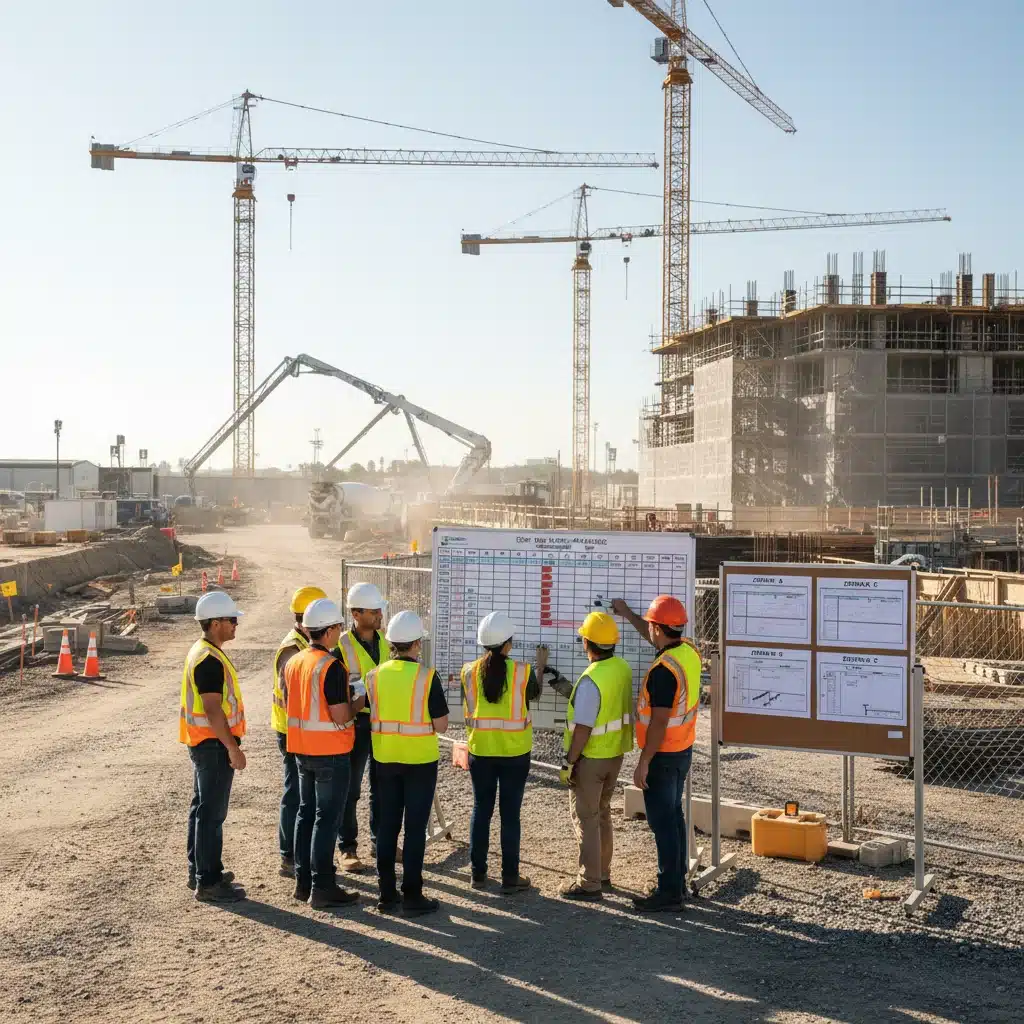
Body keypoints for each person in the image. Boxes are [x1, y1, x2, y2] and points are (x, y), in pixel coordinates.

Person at [611, 594, 700, 912]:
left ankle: (669, 893)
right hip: (682, 750)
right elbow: (654, 634)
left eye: (650, 625)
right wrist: (629, 614)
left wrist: (643, 762)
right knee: (673, 818)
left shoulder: (664, 671)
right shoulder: (687, 651)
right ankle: (677, 885)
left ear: (659, 630)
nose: (648, 629)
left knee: (662, 823)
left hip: (662, 755)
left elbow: (660, 721)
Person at [365, 610, 448, 916]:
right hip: (420, 762)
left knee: (387, 827)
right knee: (414, 830)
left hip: (385, 759)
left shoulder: (373, 676)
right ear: (416, 644)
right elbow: (440, 725)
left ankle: (386, 895)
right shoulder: (427, 677)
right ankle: (412, 895)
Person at [549, 611, 634, 902]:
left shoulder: (590, 680)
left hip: (591, 758)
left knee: (585, 818)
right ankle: (603, 874)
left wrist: (569, 762)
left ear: (587, 642)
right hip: (614, 754)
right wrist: (567, 689)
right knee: (602, 814)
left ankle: (589, 883)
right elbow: (603, 707)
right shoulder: (621, 668)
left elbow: (584, 726)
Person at [285, 598, 362, 910]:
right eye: (338, 627)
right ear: (330, 630)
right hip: (330, 752)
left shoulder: (295, 662)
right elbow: (341, 715)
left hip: (302, 750)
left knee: (306, 814)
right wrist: (359, 700)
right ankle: (323, 886)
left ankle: (303, 883)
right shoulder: (331, 666)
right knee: (326, 819)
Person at [460, 611, 543, 894]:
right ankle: (510, 878)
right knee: (510, 815)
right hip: (514, 753)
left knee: (481, 810)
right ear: (507, 644)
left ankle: (478, 875)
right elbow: (534, 694)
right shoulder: (523, 671)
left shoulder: (468, 671)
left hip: (480, 751)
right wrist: (541, 666)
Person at [181, 591, 247, 904]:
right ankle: (208, 881)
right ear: (216, 623)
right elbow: (212, 709)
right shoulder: (208, 659)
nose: (236, 625)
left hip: (204, 742)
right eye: (232, 620)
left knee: (202, 808)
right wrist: (232, 747)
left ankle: (200, 870)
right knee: (211, 814)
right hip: (213, 744)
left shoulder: (204, 651)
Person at [272, 585, 327, 879]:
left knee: (303, 794)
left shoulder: (301, 644)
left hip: (300, 729)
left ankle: (297, 853)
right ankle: (289, 856)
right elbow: (291, 693)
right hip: (291, 731)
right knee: (295, 793)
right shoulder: (292, 649)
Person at [334, 582, 387, 873]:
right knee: (351, 788)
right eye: (374, 610)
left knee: (382, 787)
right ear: (356, 613)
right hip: (356, 721)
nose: (380, 614)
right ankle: (347, 848)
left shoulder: (387, 641)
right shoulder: (341, 644)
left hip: (383, 721)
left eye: (380, 608)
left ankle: (381, 843)